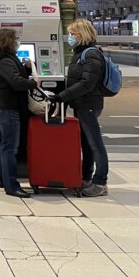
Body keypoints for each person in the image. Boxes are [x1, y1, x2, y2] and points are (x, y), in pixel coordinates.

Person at [49, 18, 109, 197]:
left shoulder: (91, 54)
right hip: (81, 104)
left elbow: (86, 83)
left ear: (81, 34)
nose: (70, 37)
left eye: (72, 34)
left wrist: (62, 96)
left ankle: (100, 183)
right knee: (87, 144)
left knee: (95, 144)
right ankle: (86, 178)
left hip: (88, 105)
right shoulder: (80, 53)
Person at [0, 28, 37, 198]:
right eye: (16, 38)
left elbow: (14, 76)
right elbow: (16, 82)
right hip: (8, 107)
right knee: (10, 147)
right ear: (8, 41)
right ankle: (12, 186)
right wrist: (34, 83)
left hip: (4, 106)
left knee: (5, 145)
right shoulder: (5, 61)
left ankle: (3, 180)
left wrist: (26, 69)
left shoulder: (4, 59)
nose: (18, 41)